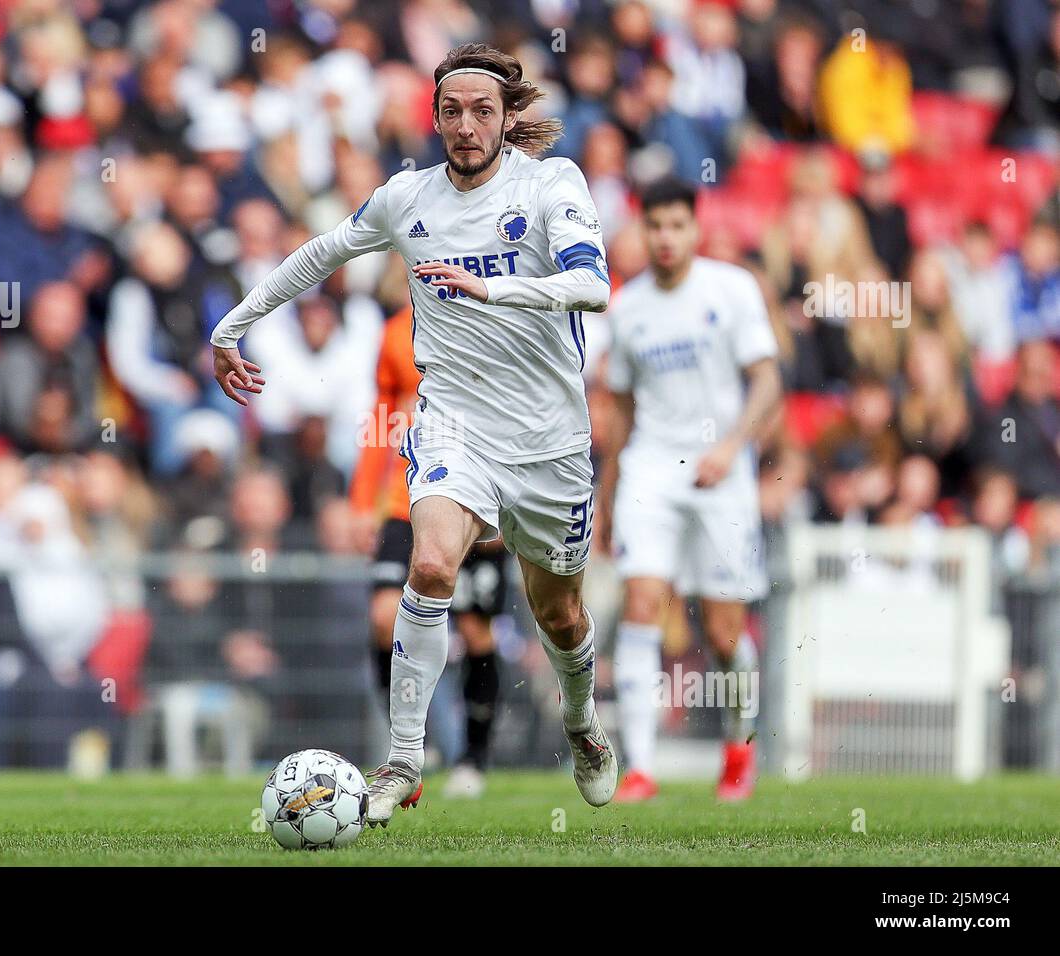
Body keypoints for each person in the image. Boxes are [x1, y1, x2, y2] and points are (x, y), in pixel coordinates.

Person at [209, 43, 617, 825]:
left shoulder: (550, 183)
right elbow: (321, 254)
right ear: (434, 117)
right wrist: (234, 325)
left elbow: (590, 286)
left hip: (550, 440)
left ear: (506, 119)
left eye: (483, 111)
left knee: (560, 615)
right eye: (452, 111)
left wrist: (489, 288)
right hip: (453, 421)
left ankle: (582, 723)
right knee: (429, 565)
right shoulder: (407, 198)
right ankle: (402, 760)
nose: (466, 126)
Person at [598, 176, 783, 803]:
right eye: (655, 226)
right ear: (642, 230)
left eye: (678, 225)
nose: (666, 238)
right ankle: (640, 768)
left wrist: (731, 446)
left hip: (721, 471)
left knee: (725, 634)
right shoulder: (626, 309)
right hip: (652, 468)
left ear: (695, 228)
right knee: (643, 603)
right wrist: (607, 491)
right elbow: (620, 411)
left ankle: (740, 748)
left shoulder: (730, 290)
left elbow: (767, 381)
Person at [348, 305, 507, 798]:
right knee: (382, 615)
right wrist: (360, 500)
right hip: (404, 497)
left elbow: (513, 405)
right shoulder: (395, 331)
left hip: (475, 494)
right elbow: (382, 414)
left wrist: (506, 495)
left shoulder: (491, 312)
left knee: (475, 631)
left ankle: (472, 759)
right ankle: (410, 746)